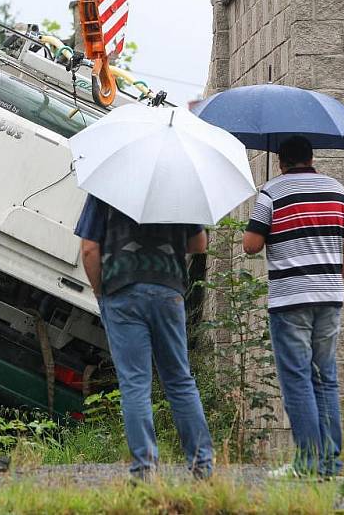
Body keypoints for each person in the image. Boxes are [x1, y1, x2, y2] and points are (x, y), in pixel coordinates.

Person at [243, 136, 344, 477]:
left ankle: (307, 464)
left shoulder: (272, 192)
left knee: (297, 380)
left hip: (290, 299)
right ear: (311, 158)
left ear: (281, 161)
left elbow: (251, 245)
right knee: (326, 379)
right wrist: (332, 279)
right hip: (329, 297)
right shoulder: (338, 190)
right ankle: (330, 463)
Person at [76, 196, 214, 480]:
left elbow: (89, 249)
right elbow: (200, 244)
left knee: (136, 383)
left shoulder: (107, 187)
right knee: (179, 379)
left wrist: (101, 291)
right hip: (167, 291)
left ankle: (144, 469)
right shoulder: (178, 186)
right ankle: (202, 465)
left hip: (121, 290)